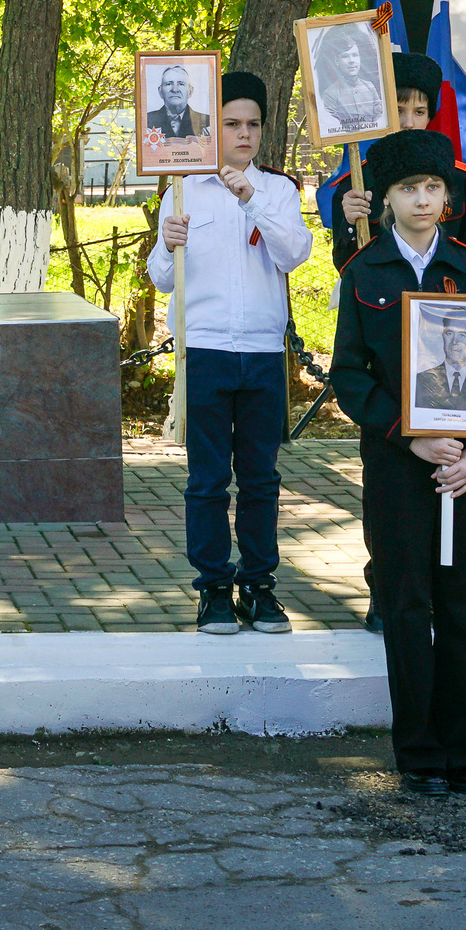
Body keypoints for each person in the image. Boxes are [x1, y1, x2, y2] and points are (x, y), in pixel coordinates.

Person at [328, 126, 466, 794]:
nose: (424, 199)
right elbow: (350, 376)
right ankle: (420, 753)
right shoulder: (365, 272)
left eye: (434, 186)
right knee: (407, 602)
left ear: (449, 194)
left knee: (465, 601)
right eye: (409, 189)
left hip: (465, 468)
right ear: (387, 199)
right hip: (399, 466)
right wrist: (409, 434)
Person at [146, 70, 309, 637]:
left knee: (261, 478)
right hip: (206, 352)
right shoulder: (184, 188)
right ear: (213, 128)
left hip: (263, 353)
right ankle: (214, 588)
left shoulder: (280, 190)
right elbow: (163, 280)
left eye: (253, 125)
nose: (243, 135)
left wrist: (252, 199)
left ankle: (260, 586)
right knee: (208, 480)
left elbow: (293, 254)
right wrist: (167, 245)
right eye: (232, 124)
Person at [317, 53, 466, 272]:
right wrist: (350, 223)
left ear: (430, 116)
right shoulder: (356, 185)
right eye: (398, 111)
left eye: (419, 112)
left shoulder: (457, 179)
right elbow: (345, 267)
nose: (408, 123)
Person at [311, 27, 387, 135]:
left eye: (355, 55)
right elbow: (333, 125)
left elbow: (380, 117)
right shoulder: (330, 94)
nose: (351, 61)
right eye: (345, 56)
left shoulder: (369, 87)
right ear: (337, 61)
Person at [146, 67, 210, 139]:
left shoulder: (207, 122)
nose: (175, 89)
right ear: (160, 91)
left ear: (190, 91)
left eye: (181, 84)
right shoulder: (147, 120)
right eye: (169, 84)